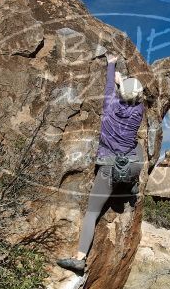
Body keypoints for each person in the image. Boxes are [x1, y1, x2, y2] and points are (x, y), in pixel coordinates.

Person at [57, 53, 145, 273]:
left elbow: (109, 87)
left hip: (107, 166)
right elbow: (131, 96)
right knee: (138, 147)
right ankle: (131, 182)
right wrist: (123, 82)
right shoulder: (138, 112)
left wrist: (111, 66)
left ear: (119, 93)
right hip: (130, 162)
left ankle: (80, 257)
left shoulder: (109, 104)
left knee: (92, 213)